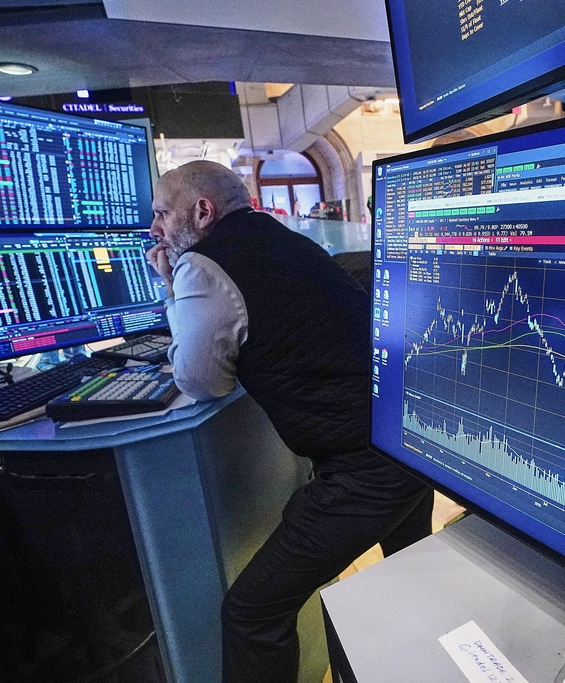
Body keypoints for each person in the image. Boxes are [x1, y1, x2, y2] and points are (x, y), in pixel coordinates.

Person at [146, 160, 433, 682]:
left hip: (364, 471)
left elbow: (202, 379)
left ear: (202, 211)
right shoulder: (286, 240)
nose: (155, 230)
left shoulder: (202, 266)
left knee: (251, 612)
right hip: (407, 438)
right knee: (406, 576)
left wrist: (170, 286)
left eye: (163, 213)